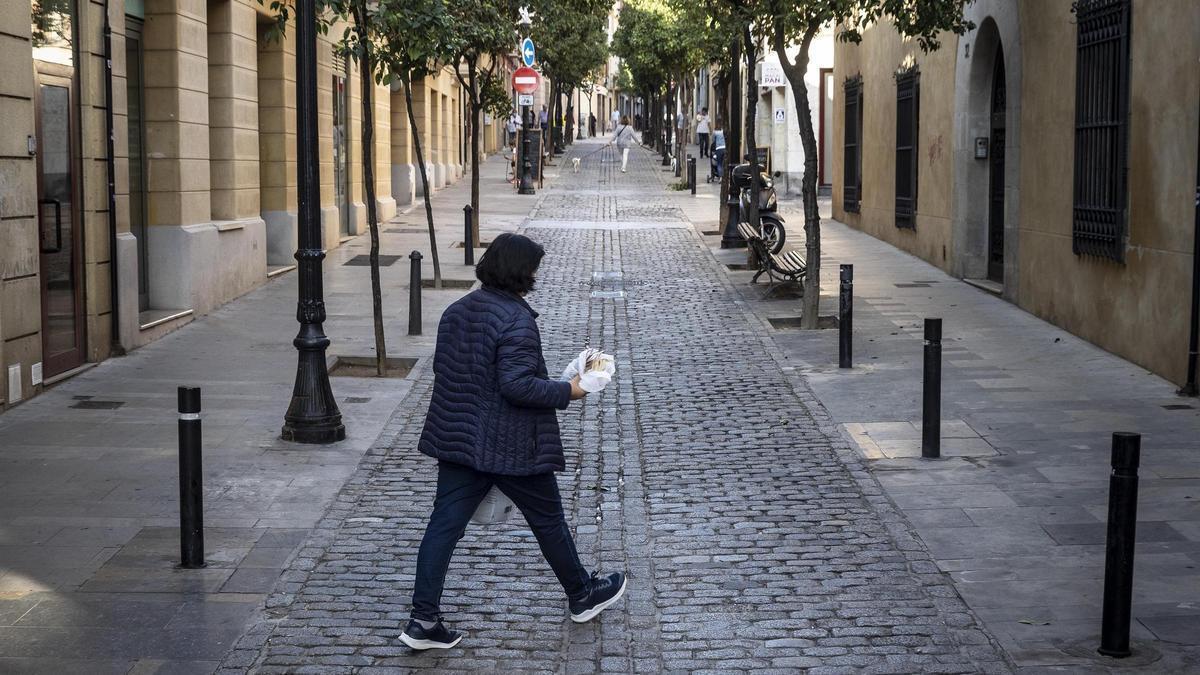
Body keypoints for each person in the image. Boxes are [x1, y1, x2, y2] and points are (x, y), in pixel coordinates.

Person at [400, 233, 627, 651]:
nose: (537, 275)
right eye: (534, 268)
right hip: (510, 443)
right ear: (522, 272)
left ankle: (423, 620)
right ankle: (582, 595)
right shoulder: (516, 320)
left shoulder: (457, 310)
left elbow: (459, 373)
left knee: (444, 525)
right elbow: (516, 386)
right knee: (548, 520)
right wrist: (572, 390)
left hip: (459, 437)